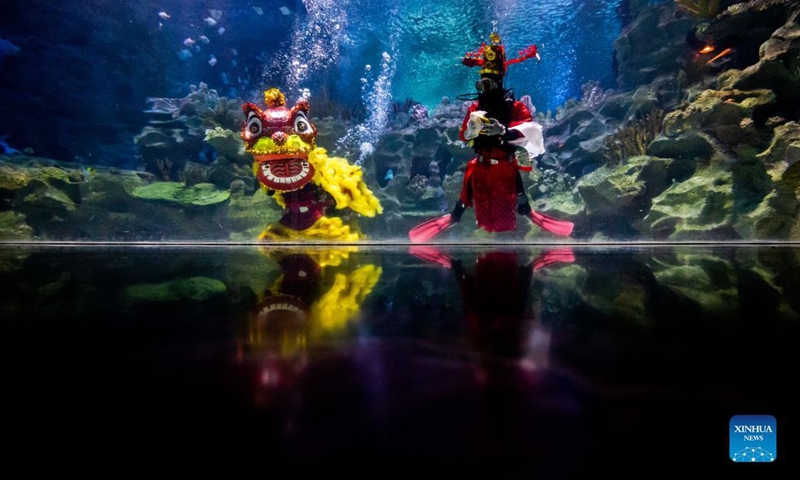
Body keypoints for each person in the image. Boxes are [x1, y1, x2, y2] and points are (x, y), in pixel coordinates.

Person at [408, 33, 572, 242]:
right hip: (481, 169)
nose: (484, 90)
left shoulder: (515, 107)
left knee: (505, 223)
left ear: (499, 84)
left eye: (489, 85)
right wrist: (468, 132)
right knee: (476, 209)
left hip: (505, 169)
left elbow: (528, 129)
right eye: (481, 85)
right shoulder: (475, 108)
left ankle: (526, 210)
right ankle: (455, 215)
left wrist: (503, 131)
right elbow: (463, 136)